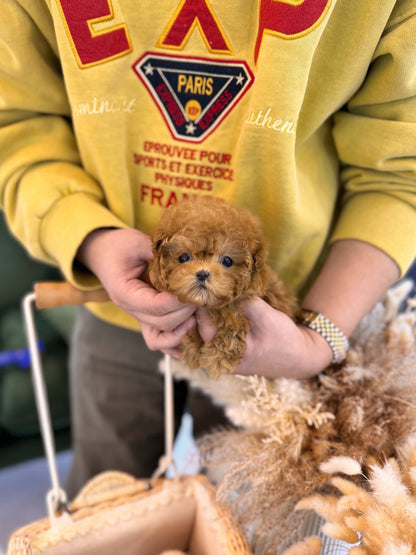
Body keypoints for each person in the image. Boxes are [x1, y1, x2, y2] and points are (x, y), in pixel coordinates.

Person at [0, 1, 415, 500]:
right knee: (103, 499)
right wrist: (90, 237)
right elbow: (18, 127)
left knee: (257, 511)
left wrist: (318, 339)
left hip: (290, 323)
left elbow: (399, 171)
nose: (201, 274)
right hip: (113, 310)